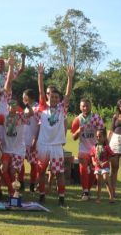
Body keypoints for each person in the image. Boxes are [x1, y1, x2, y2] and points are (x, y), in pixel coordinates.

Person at [35, 63, 74, 207]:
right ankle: (42, 196)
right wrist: (40, 75)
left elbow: (68, 94)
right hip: (43, 145)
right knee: (41, 172)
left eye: (57, 97)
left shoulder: (62, 109)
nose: (55, 99)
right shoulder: (43, 107)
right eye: (52, 97)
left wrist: (69, 78)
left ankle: (61, 198)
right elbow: (40, 91)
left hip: (57, 146)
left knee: (59, 173)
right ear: (48, 97)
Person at [71, 99, 104, 200]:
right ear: (80, 107)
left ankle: (88, 190)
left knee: (94, 170)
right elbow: (73, 137)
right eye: (83, 106)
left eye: (87, 106)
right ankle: (85, 191)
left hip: (95, 148)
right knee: (83, 169)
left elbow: (103, 132)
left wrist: (99, 133)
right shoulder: (77, 119)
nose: (85, 108)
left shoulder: (96, 118)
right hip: (83, 148)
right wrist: (78, 131)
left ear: (91, 106)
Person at [22, 89, 40, 192]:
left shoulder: (37, 108)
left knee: (33, 163)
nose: (23, 98)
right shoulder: (26, 108)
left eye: (24, 96)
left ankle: (32, 185)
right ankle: (21, 183)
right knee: (21, 163)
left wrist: (35, 140)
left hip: (33, 141)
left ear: (29, 97)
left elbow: (39, 125)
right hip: (24, 141)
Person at [91, 128, 115, 204]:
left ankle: (111, 197)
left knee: (106, 180)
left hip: (105, 167)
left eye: (100, 136)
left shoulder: (106, 147)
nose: (98, 138)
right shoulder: (94, 147)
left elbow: (112, 156)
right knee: (98, 182)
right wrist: (93, 162)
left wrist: (106, 162)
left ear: (104, 137)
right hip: (97, 167)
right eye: (97, 136)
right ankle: (98, 198)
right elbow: (92, 156)